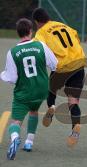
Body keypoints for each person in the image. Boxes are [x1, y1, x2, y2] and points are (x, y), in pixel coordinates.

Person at [0, 18, 57, 160]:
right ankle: (29, 142)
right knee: (34, 111)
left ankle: (14, 139)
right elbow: (54, 64)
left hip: (24, 93)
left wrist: (2, 74)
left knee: (16, 122)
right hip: (42, 90)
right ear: (31, 31)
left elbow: (11, 78)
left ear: (18, 33)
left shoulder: (13, 52)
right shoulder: (40, 46)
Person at [32, 8, 86, 147]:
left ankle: (51, 107)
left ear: (37, 22)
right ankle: (76, 128)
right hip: (79, 63)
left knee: (51, 90)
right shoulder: (64, 25)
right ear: (48, 17)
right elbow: (76, 37)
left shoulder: (41, 32)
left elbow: (37, 48)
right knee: (73, 102)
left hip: (62, 66)